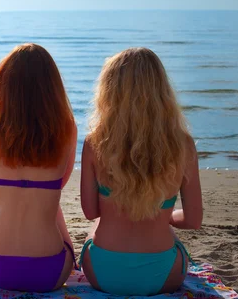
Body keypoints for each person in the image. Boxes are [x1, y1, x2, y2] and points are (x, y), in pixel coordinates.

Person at [79, 47, 203, 296]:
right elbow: (193, 220)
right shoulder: (183, 145)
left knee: (96, 229)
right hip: (164, 274)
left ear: (110, 92)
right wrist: (166, 217)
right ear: (162, 91)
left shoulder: (95, 143)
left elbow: (91, 212)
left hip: (102, 272)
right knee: (167, 234)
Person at [0, 43, 78, 292]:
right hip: (50, 271)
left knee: (3, 200)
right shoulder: (67, 128)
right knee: (48, 201)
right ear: (52, 87)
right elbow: (58, 184)